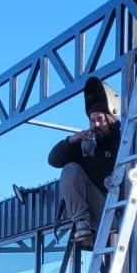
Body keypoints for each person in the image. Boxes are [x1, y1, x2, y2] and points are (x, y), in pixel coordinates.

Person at [48, 77, 121, 247]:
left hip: (119, 211)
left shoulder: (124, 139)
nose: (96, 124)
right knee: (70, 169)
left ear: (110, 119)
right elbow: (53, 160)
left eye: (100, 119)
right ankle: (82, 223)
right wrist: (70, 141)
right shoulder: (85, 144)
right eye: (92, 120)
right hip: (97, 211)